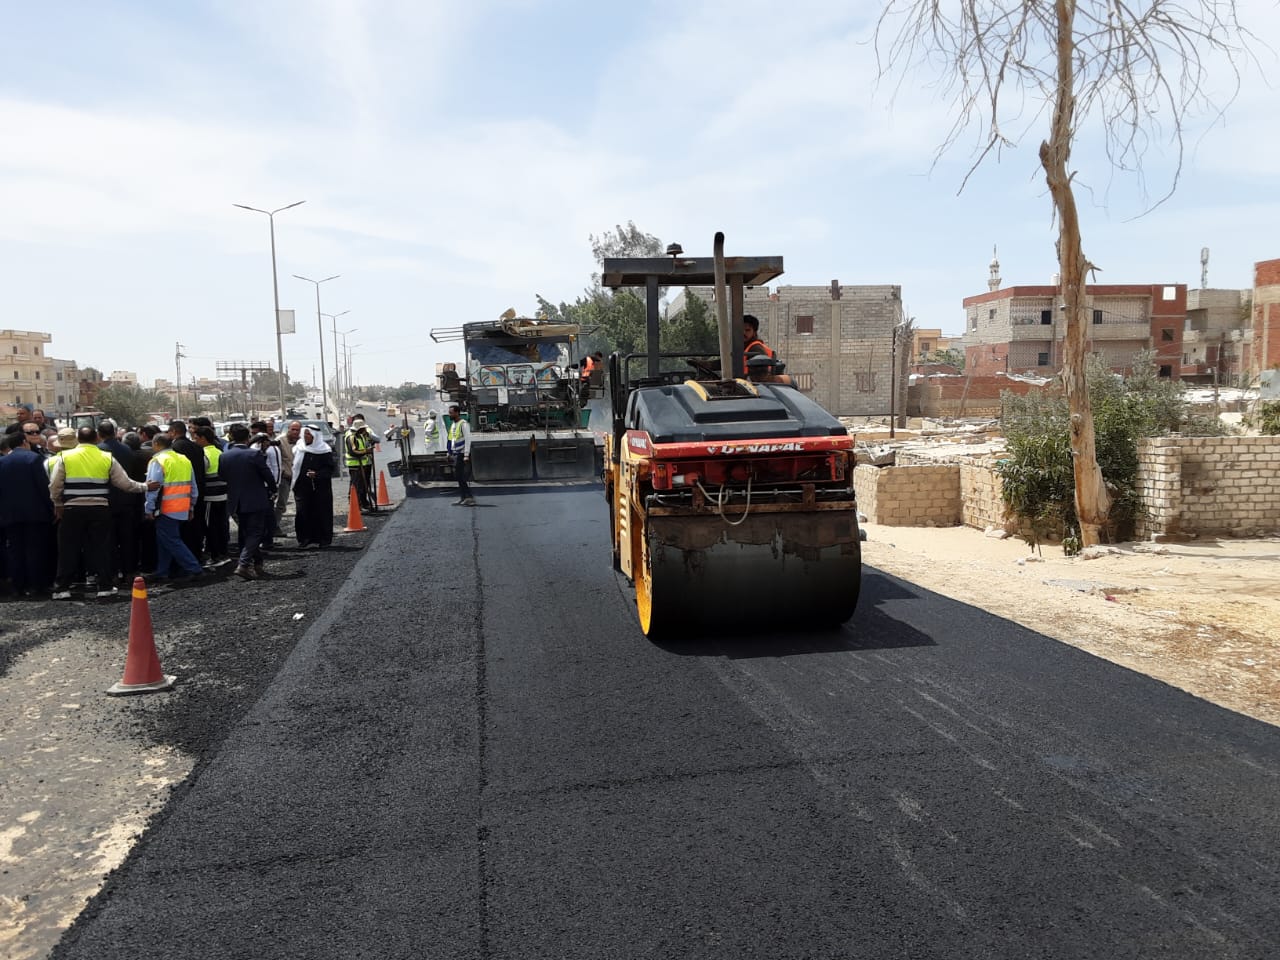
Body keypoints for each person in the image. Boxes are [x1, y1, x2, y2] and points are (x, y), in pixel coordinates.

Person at [49, 426, 154, 600]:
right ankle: (104, 586)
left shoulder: (64, 457)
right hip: (100, 509)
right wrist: (145, 486)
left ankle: (62, 588)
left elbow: (55, 485)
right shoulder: (107, 457)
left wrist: (58, 503)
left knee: (68, 548)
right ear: (96, 438)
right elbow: (125, 484)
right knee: (101, 548)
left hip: (72, 509)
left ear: (78, 439)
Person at [144, 434, 204, 584]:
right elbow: (193, 486)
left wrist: (149, 508)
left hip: (166, 508)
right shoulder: (184, 459)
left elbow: (153, 487)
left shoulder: (158, 461)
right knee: (164, 540)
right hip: (182, 507)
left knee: (171, 540)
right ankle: (162, 571)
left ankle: (194, 569)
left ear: (156, 444)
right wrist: (191, 506)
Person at [0, 430, 55, 597]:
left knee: (15, 550)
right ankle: (36, 585)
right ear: (25, 442)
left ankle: (18, 586)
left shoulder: (3, 462)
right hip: (35, 513)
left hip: (10, 514)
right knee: (35, 549)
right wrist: (51, 507)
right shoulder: (34, 459)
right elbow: (43, 486)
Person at [220, 422, 277, 581]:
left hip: (235, 501)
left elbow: (222, 476)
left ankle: (257, 563)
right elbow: (267, 475)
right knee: (256, 532)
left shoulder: (224, 456)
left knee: (245, 533)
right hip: (255, 498)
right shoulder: (254, 455)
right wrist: (273, 489)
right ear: (247, 438)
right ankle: (243, 564)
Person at [97, 418, 142, 586]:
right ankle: (129, 571)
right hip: (126, 499)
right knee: (127, 538)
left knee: (108, 540)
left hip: (106, 500)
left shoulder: (98, 451)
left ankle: (112, 573)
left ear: (99, 434)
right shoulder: (126, 450)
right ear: (115, 432)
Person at [169, 420, 207, 561]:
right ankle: (197, 553)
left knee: (184, 528)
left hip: (181, 492)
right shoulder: (196, 447)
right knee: (197, 524)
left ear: (174, 432)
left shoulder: (175, 448)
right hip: (199, 489)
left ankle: (185, 558)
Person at [292, 425, 334, 549]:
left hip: (320, 488)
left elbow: (329, 469)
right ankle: (304, 539)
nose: (306, 436)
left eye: (308, 434)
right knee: (302, 512)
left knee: (322, 512)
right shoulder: (299, 447)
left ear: (315, 436)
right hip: (302, 486)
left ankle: (323, 539)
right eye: (304, 434)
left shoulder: (324, 450)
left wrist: (317, 474)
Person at [194, 426, 230, 564]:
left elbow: (202, 474)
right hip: (223, 494)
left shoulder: (204, 454)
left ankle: (215, 555)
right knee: (221, 524)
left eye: (196, 438)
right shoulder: (219, 451)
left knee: (210, 526)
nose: (195, 441)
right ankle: (223, 552)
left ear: (203, 438)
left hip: (210, 496)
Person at [445, 405, 475, 506]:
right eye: (449, 412)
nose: (449, 414)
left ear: (457, 413)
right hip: (455, 453)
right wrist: (449, 452)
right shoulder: (453, 425)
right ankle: (463, 498)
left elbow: (468, 440)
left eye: (451, 413)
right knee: (458, 476)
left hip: (461, 454)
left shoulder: (464, 424)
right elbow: (450, 439)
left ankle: (469, 497)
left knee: (460, 476)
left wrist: (466, 454)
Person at [344, 418, 375, 511]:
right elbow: (353, 451)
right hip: (355, 465)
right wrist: (366, 451)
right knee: (356, 486)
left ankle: (361, 504)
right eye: (362, 428)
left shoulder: (359, 436)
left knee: (361, 486)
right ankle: (356, 506)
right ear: (358, 428)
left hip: (361, 464)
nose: (364, 430)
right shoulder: (351, 437)